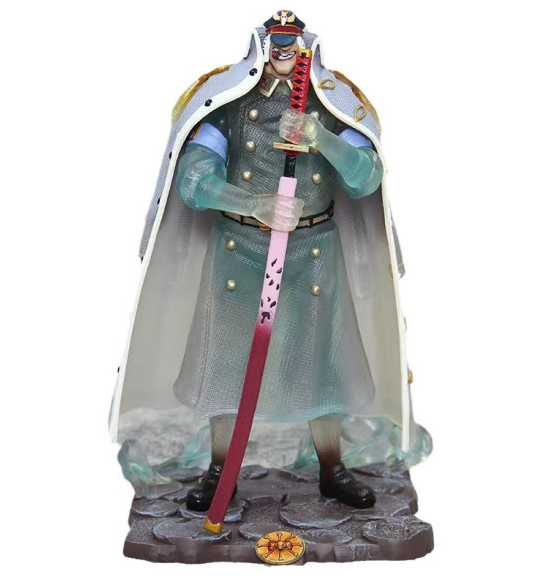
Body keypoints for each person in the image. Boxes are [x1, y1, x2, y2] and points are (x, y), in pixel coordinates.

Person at [109, 10, 431, 515]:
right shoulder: (230, 105)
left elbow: (366, 177)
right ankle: (221, 468)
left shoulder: (331, 105)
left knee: (322, 367)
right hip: (239, 252)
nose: (283, 51)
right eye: (275, 41)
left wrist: (320, 138)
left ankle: (332, 467)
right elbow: (193, 179)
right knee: (226, 366)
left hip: (313, 252)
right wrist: (250, 203)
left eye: (291, 43)